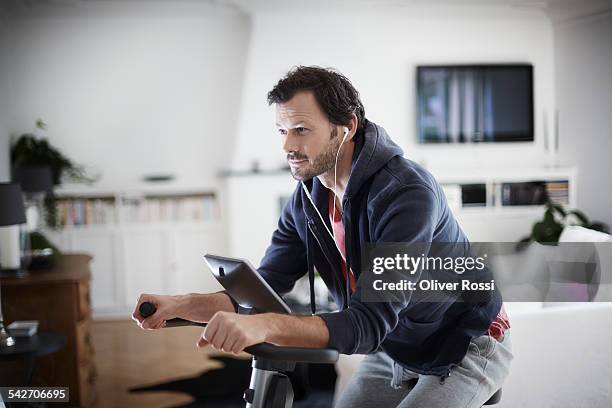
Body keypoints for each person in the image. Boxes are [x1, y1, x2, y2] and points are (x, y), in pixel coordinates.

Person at [133, 66, 513, 407]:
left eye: (301, 130)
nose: (287, 146)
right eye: (282, 131)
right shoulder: (309, 197)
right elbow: (266, 286)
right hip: (397, 344)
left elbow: (366, 323)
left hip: (463, 344)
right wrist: (181, 304)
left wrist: (265, 325)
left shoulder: (406, 193)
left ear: (346, 127)